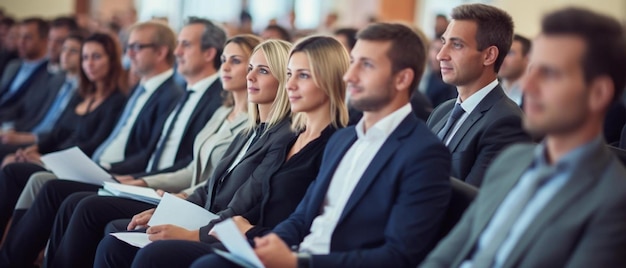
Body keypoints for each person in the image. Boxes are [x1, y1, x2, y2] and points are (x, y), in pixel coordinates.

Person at [15, 39, 292, 268]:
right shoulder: (251, 129)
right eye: (251, 68)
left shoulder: (280, 136)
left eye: (263, 71)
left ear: (284, 78)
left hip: (216, 223)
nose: (249, 76)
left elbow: (243, 203)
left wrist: (190, 228)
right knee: (107, 226)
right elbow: (208, 183)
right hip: (194, 207)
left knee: (104, 222)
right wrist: (169, 205)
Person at [196, 22, 450, 268]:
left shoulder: (424, 153)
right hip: (297, 254)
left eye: (367, 65)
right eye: (352, 63)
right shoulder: (345, 139)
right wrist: (264, 244)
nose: (349, 76)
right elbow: (302, 217)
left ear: (402, 79)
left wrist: (298, 262)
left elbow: (398, 256)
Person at [97, 35, 351, 268]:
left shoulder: (313, 139)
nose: (290, 84)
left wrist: (201, 234)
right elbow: (213, 186)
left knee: (154, 253)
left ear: (329, 79)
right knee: (115, 237)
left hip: (247, 234)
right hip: (235, 229)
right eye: (289, 74)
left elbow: (255, 204)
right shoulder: (281, 135)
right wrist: (172, 210)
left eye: (302, 76)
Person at [422, 7, 626, 268]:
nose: (528, 86)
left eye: (550, 74)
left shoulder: (613, 202)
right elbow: (452, 250)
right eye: (533, 69)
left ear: (598, 93)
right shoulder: (513, 161)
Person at [6, 21, 186, 229]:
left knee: (48, 185)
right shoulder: (140, 89)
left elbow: (146, 152)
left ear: (161, 52)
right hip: (99, 164)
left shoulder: (169, 95)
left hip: (119, 171)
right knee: (29, 176)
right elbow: (68, 134)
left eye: (136, 47)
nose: (129, 54)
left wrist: (108, 170)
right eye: (128, 47)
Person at [426, 3, 530, 187]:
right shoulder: (442, 111)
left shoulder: (506, 122)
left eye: (457, 45)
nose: (441, 55)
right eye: (444, 42)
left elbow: (473, 202)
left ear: (489, 55)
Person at [0, 17, 51, 112]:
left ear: (44, 40)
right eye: (19, 36)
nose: (21, 42)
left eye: (28, 37)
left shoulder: (50, 73)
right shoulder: (13, 65)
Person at [423, 36, 457, 108]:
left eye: (439, 50)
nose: (437, 56)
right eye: (434, 49)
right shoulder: (424, 75)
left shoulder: (450, 86)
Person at [499, 34, 531, 106]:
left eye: (510, 53)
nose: (502, 59)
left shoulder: (534, 93)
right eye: (501, 53)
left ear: (527, 58)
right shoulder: (489, 90)